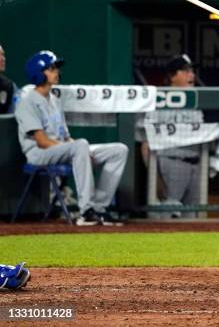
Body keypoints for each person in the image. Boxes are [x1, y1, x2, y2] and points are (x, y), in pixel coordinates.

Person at [14, 51, 128, 226]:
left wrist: (80, 151)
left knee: (119, 150)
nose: (56, 72)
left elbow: (66, 137)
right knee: (81, 145)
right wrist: (77, 149)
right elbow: (42, 141)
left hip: (60, 149)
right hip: (38, 153)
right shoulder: (28, 101)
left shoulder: (54, 100)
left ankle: (99, 208)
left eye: (56, 69)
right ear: (38, 72)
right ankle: (85, 211)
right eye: (51, 68)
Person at [142, 54, 202, 218]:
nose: (192, 75)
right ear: (172, 76)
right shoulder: (158, 101)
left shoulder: (195, 101)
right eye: (186, 71)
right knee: (167, 217)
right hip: (170, 163)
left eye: (192, 71)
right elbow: (146, 143)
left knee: (193, 220)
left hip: (196, 165)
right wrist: (155, 177)